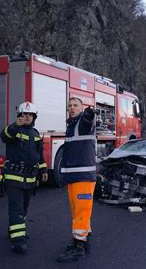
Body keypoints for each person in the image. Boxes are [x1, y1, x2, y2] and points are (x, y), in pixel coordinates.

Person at [0, 102, 48, 254]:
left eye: (30, 115)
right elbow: (3, 136)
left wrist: (43, 169)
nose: (27, 116)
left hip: (29, 179)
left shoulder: (35, 134)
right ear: (19, 116)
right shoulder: (13, 130)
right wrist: (14, 125)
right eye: (24, 114)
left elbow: (39, 155)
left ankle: (15, 230)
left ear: (34, 117)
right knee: (17, 209)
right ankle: (18, 241)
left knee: (24, 208)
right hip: (14, 177)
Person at [57, 97, 96, 263]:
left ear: (81, 108)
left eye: (75, 105)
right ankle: (83, 240)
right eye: (70, 106)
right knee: (78, 211)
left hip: (83, 177)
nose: (72, 108)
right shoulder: (72, 125)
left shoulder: (82, 122)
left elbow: (88, 119)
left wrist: (89, 113)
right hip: (74, 177)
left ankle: (78, 248)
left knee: (81, 212)